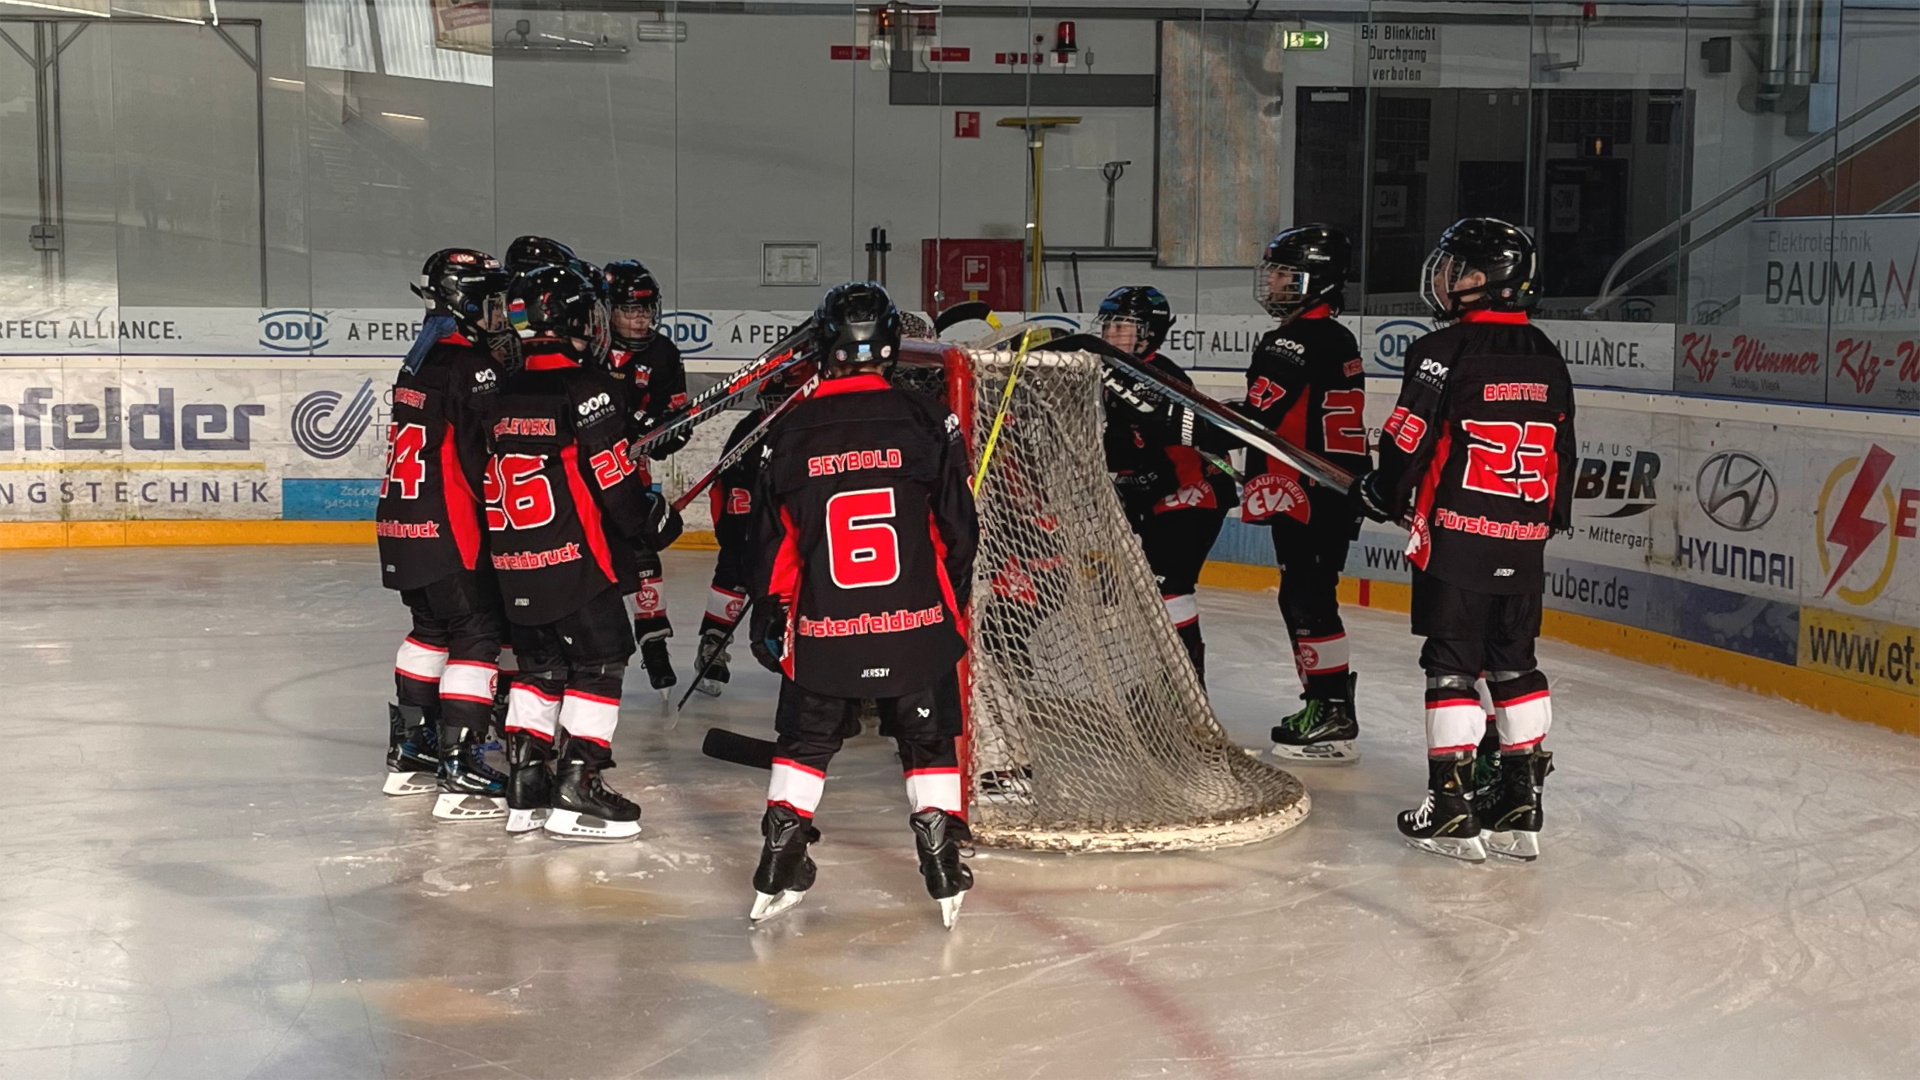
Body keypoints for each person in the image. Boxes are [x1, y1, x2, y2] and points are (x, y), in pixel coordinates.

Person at [744, 282, 979, 927]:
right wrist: (944, 601)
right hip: (916, 619)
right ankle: (939, 852)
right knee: (927, 736)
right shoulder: (930, 420)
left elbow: (771, 545)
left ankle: (781, 854)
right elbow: (960, 530)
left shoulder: (788, 428)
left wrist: (770, 614)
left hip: (825, 622)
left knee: (805, 738)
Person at [1352, 217, 1574, 863]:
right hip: (1524, 536)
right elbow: (1564, 447)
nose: (1446, 278)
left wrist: (1383, 491)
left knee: (1451, 665)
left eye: (1457, 267)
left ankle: (1450, 810)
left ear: (1482, 279)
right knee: (1514, 661)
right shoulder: (1545, 352)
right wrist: (1540, 524)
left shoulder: (1443, 348)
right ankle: (1519, 802)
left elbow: (1406, 439)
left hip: (1458, 534)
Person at [486, 263, 681, 841]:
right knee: (600, 662)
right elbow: (615, 485)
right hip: (575, 562)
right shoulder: (590, 387)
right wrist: (653, 523)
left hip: (514, 562)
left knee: (539, 668)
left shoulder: (500, 388)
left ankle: (526, 784)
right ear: (576, 319)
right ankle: (578, 783)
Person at [375, 248, 513, 819]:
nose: (501, 312)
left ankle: (412, 752)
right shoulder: (468, 365)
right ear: (467, 300)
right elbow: (494, 451)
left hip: (402, 523)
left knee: (429, 629)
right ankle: (460, 767)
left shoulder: (420, 360)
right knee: (476, 635)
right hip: (449, 526)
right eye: (493, 299)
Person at [1236, 226, 1372, 763]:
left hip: (1309, 490)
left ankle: (1331, 709)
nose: (1273, 282)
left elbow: (1256, 418)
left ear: (1318, 280)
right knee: (1308, 595)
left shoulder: (1290, 342)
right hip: (1330, 489)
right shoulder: (1335, 337)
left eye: (1285, 273)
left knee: (1307, 598)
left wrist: (1187, 426)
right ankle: (1328, 702)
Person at [1095, 286, 1236, 683]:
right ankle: (1169, 683)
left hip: (1194, 492)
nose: (1109, 332)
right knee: (1155, 593)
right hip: (1162, 495)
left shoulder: (1160, 377)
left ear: (1147, 332)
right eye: (1108, 323)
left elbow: (1168, 448)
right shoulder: (1116, 373)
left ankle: (1185, 687)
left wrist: (1131, 481)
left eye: (1120, 325)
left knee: (1170, 588)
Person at [603, 259, 692, 693]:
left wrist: (662, 434)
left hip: (628, 472)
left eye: (646, 310)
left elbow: (678, 421)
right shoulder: (590, 347)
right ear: (607, 310)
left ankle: (654, 642)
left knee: (643, 553)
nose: (641, 320)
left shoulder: (662, 353)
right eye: (630, 310)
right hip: (582, 475)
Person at [689, 370, 796, 698]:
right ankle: (713, 643)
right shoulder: (748, 430)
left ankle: (798, 649)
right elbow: (724, 484)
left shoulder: (810, 428)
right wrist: (731, 532)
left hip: (792, 533)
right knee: (731, 572)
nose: (778, 409)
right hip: (750, 527)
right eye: (772, 402)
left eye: (786, 402)